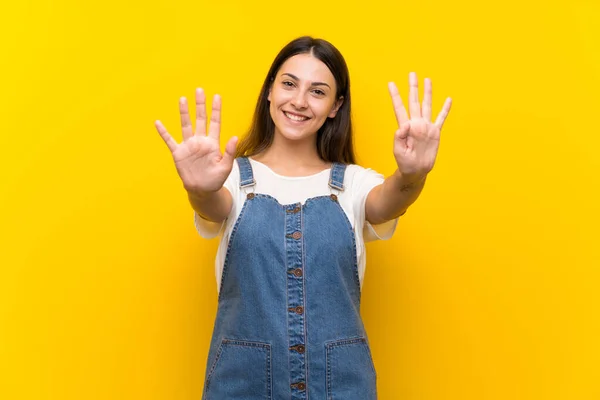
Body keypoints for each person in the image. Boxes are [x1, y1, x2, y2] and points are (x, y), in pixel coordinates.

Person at [155, 36, 452, 400]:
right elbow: (211, 205)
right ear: (269, 91)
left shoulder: (354, 185)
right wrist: (199, 188)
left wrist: (413, 174)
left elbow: (390, 200)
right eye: (289, 84)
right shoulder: (229, 178)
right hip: (241, 385)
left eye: (317, 91)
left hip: (340, 386)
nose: (298, 101)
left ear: (334, 106)